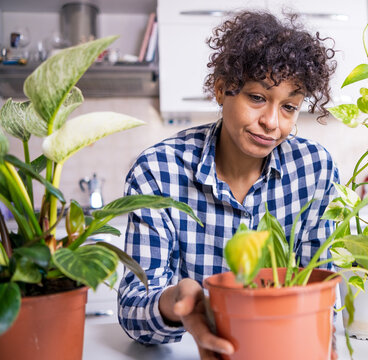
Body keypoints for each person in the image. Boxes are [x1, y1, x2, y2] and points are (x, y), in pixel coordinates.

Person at [118, 9, 340, 359]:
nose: (271, 122)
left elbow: (324, 289)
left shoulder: (315, 170)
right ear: (222, 90)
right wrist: (175, 302)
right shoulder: (159, 171)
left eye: (289, 107)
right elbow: (133, 309)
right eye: (257, 98)